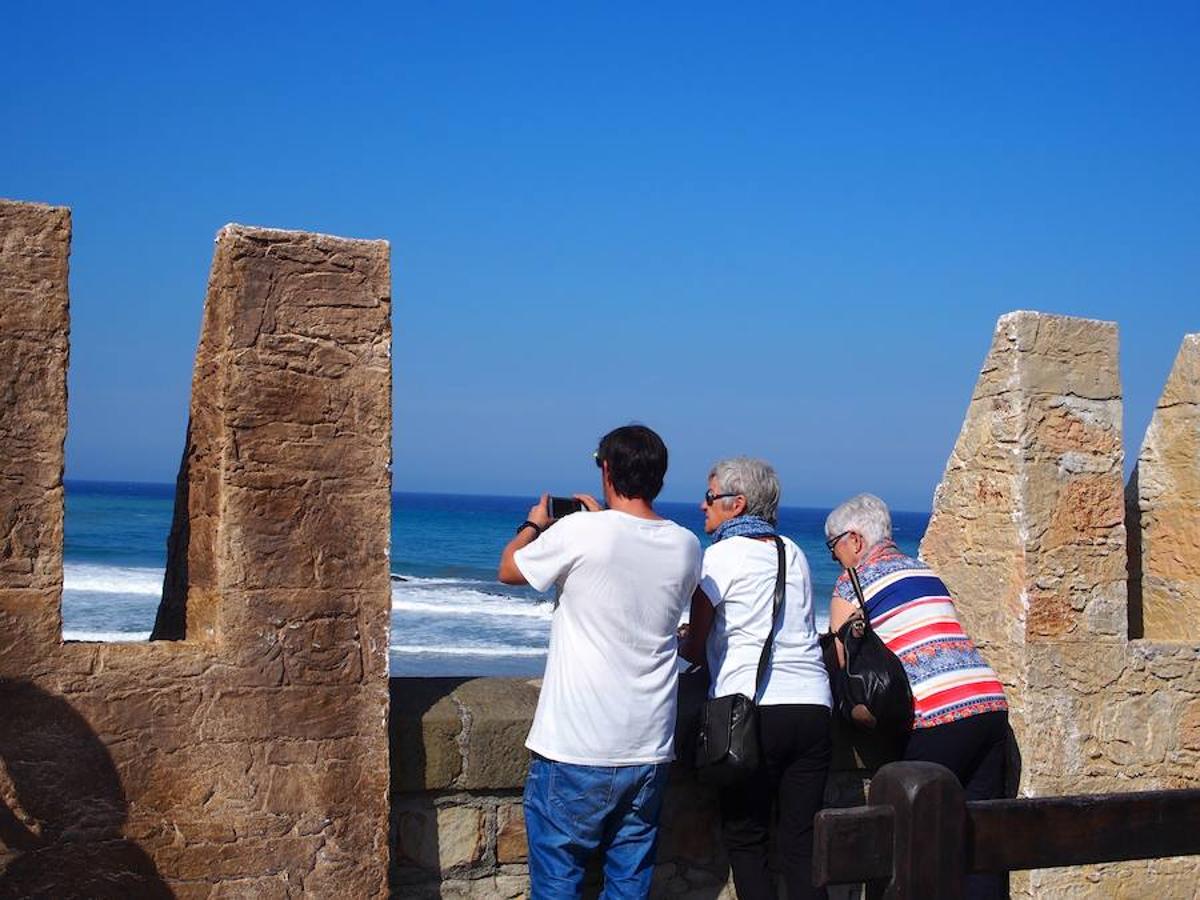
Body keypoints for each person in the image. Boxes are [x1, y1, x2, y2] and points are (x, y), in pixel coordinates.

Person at [498, 424, 702, 899]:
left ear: (607, 470)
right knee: (629, 886)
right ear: (660, 477)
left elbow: (510, 569)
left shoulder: (581, 532)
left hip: (577, 745)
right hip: (649, 745)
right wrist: (598, 521)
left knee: (558, 883)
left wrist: (535, 525)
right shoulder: (688, 545)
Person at [825, 492, 1009, 900]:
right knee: (979, 843)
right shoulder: (924, 571)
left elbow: (844, 662)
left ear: (854, 540)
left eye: (833, 545)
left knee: (905, 839)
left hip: (938, 715)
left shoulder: (853, 581)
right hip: (990, 705)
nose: (834, 556)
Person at [679, 458, 832, 900]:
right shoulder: (793, 552)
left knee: (747, 840)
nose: (702, 506)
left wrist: (680, 643)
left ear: (737, 503)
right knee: (802, 846)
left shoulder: (721, 556)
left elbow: (696, 644)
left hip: (752, 713)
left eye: (710, 498)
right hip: (812, 707)